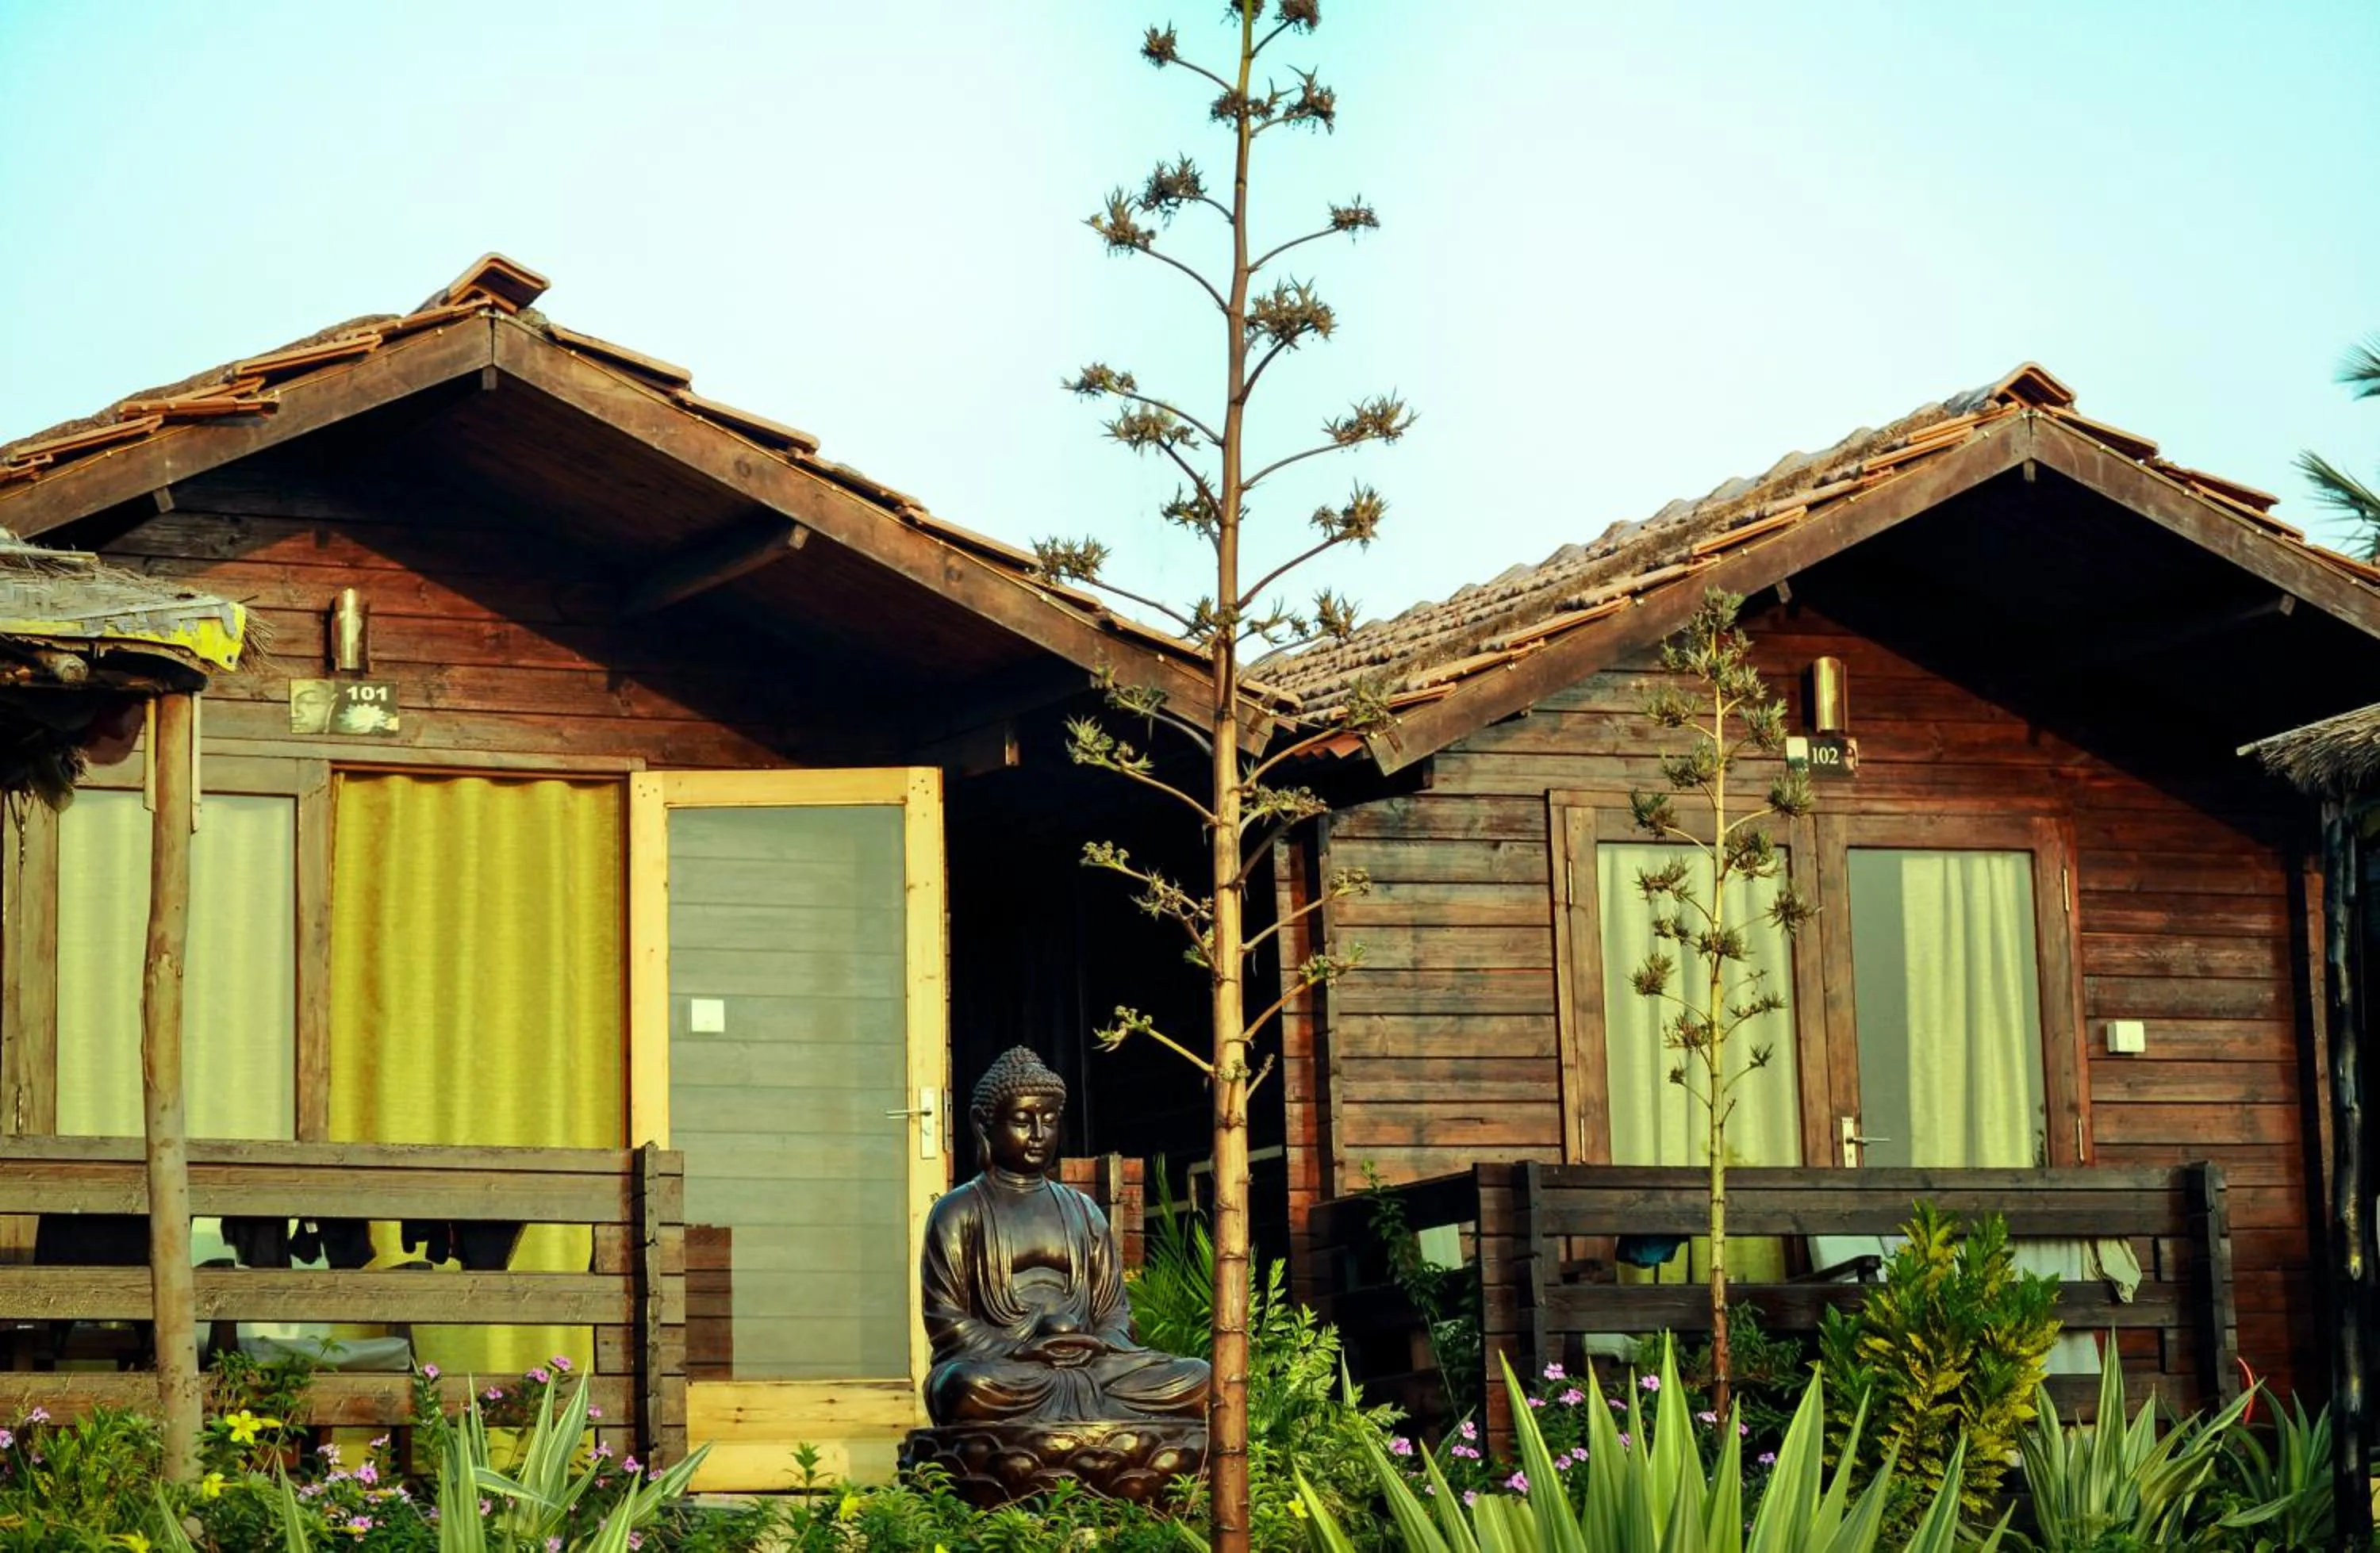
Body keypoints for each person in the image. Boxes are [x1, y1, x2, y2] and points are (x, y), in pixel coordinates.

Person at [920, 1047, 1209, 1425]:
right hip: (1008, 1368)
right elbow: (946, 1319)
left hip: (1091, 1361)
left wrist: (1089, 1344)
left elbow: (1114, 1311)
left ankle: (1083, 1419)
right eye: (1023, 1121)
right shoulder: (959, 1211)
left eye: (1050, 1120)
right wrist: (1024, 1347)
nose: (1039, 1135)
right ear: (982, 1124)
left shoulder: (1083, 1211)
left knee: (1199, 1377)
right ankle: (1100, 1426)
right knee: (964, 1386)